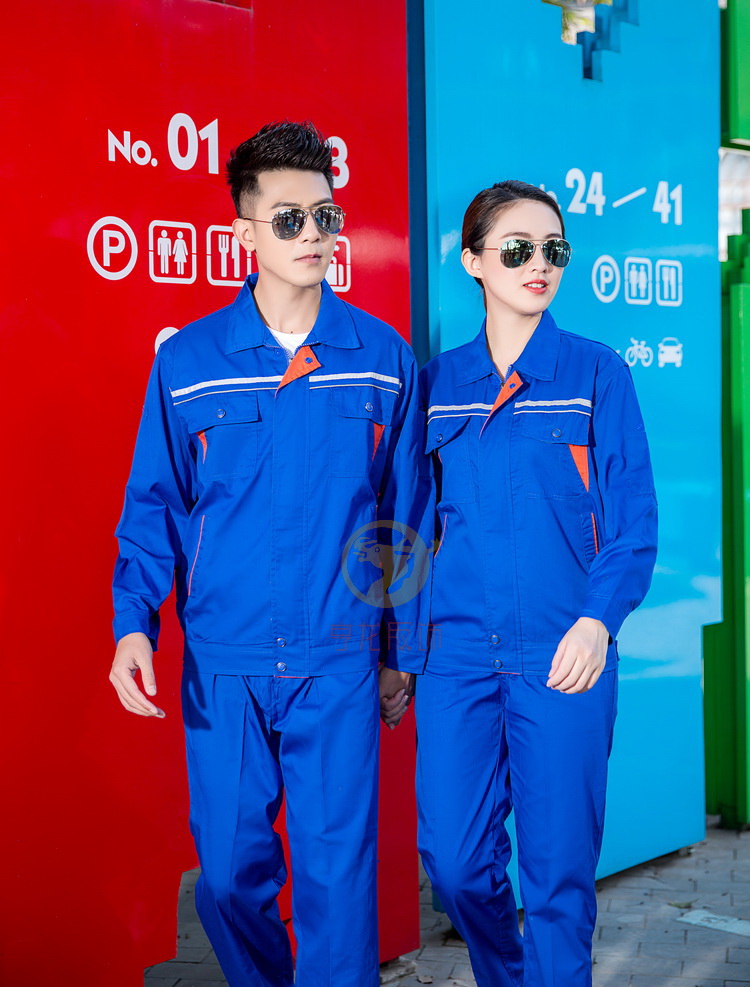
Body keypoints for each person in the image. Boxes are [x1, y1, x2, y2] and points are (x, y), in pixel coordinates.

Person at [109, 121, 430, 987]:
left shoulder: (382, 360)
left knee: (338, 887)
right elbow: (155, 505)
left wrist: (398, 653)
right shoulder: (189, 362)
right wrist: (133, 625)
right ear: (244, 233)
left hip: (338, 661)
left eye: (326, 217)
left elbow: (401, 519)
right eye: (289, 219)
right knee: (226, 877)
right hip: (226, 662)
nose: (313, 235)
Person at [416, 180, 657, 986]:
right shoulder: (436, 386)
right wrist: (398, 653)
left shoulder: (596, 374)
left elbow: (633, 522)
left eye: (554, 249)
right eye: (517, 248)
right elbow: (410, 531)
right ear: (473, 260)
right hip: (456, 659)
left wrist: (598, 620)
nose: (539, 264)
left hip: (563, 656)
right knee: (453, 862)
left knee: (557, 877)